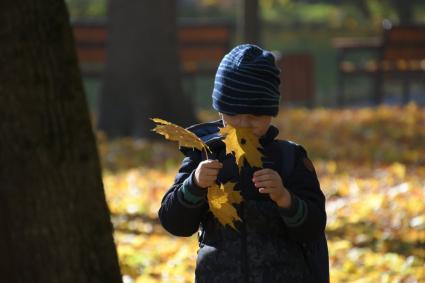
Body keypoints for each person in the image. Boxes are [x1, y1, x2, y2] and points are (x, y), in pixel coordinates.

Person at [158, 44, 327, 283]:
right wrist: (194, 185)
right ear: (220, 111)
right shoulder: (204, 155)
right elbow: (174, 222)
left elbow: (313, 227)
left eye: (255, 116)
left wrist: (284, 198)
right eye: (234, 114)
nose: (244, 123)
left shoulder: (289, 158)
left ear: (270, 112)